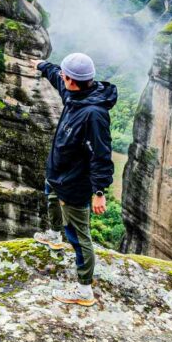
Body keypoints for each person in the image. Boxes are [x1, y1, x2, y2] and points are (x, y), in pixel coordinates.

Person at [33, 52, 116, 306]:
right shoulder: (76, 92)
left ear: (73, 80)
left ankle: (84, 290)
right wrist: (42, 65)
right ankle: (54, 235)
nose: (61, 78)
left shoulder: (94, 114)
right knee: (50, 197)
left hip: (76, 184)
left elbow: (101, 154)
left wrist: (99, 191)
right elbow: (57, 77)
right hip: (58, 174)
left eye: (64, 75)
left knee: (79, 235)